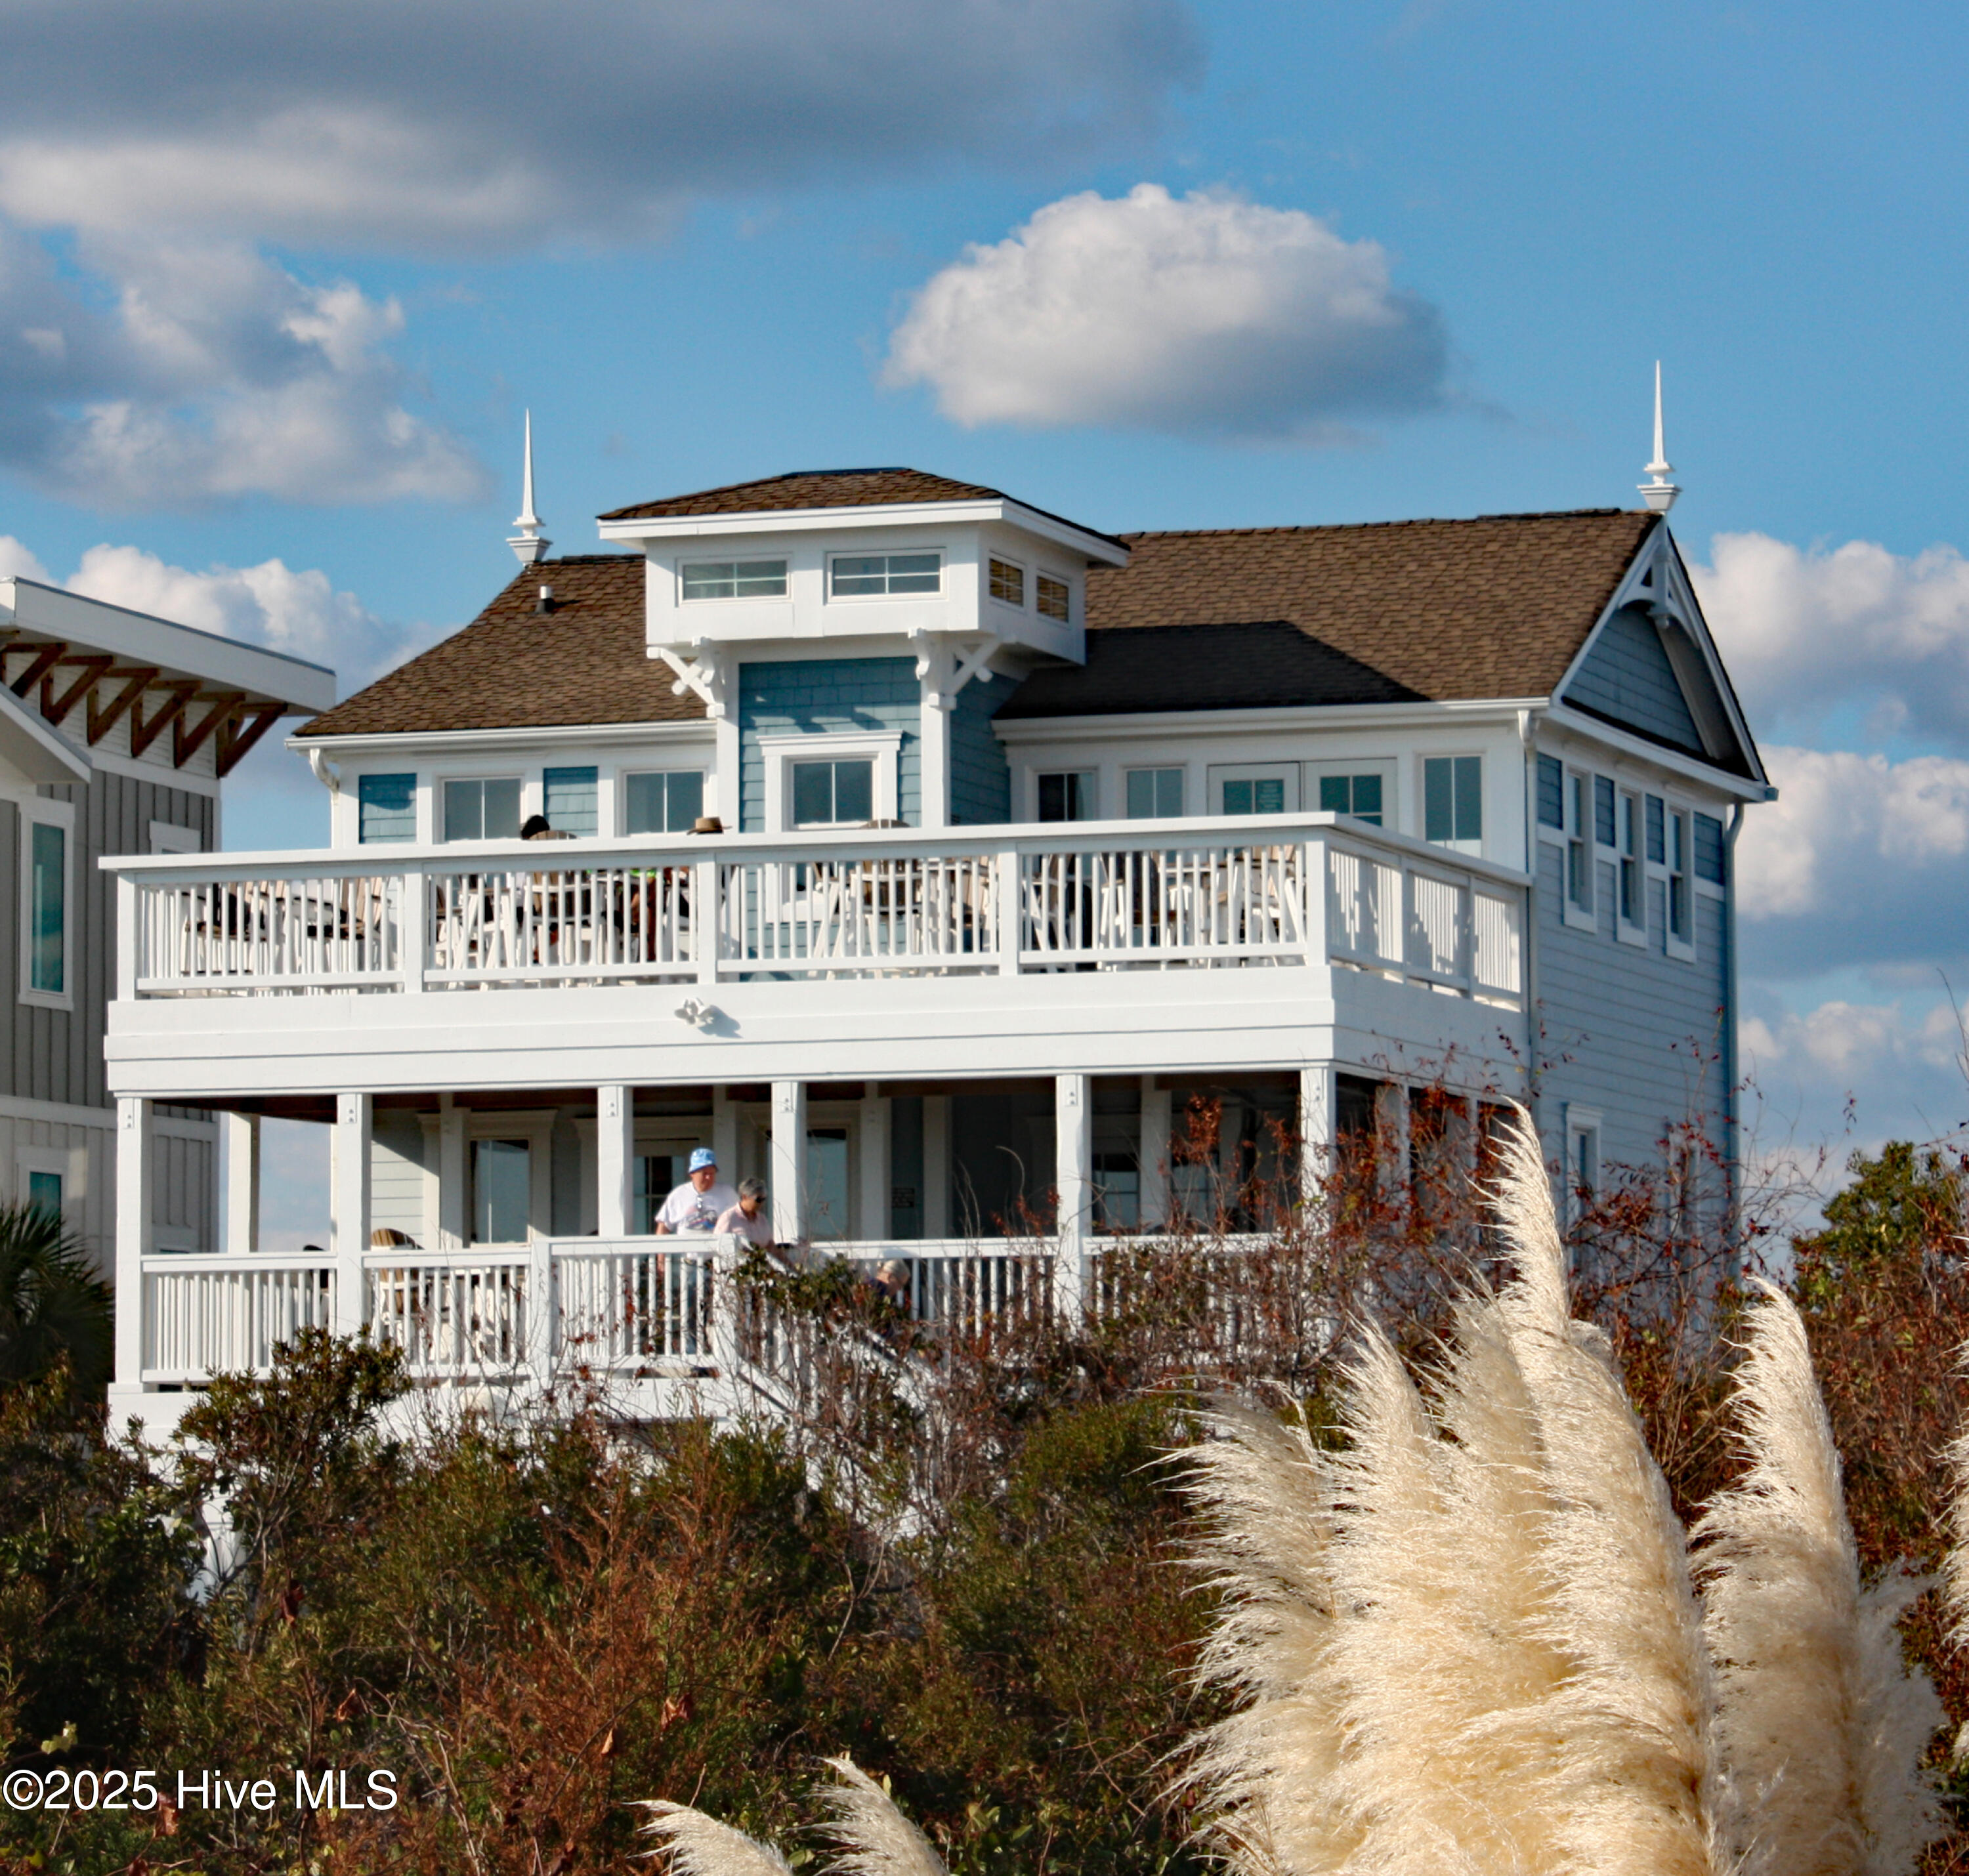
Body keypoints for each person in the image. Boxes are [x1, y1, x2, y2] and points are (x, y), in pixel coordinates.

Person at [653, 1146, 738, 1234]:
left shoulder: (728, 1193)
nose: (708, 1177)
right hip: (685, 1247)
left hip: (717, 1247)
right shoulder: (678, 1194)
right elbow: (663, 1226)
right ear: (692, 1173)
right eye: (704, 1173)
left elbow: (741, 1219)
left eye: (712, 1173)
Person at [713, 1177, 773, 1246]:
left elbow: (770, 1244)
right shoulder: (729, 1217)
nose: (762, 1203)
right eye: (759, 1200)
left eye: (764, 1199)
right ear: (745, 1197)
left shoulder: (762, 1219)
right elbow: (718, 1244)